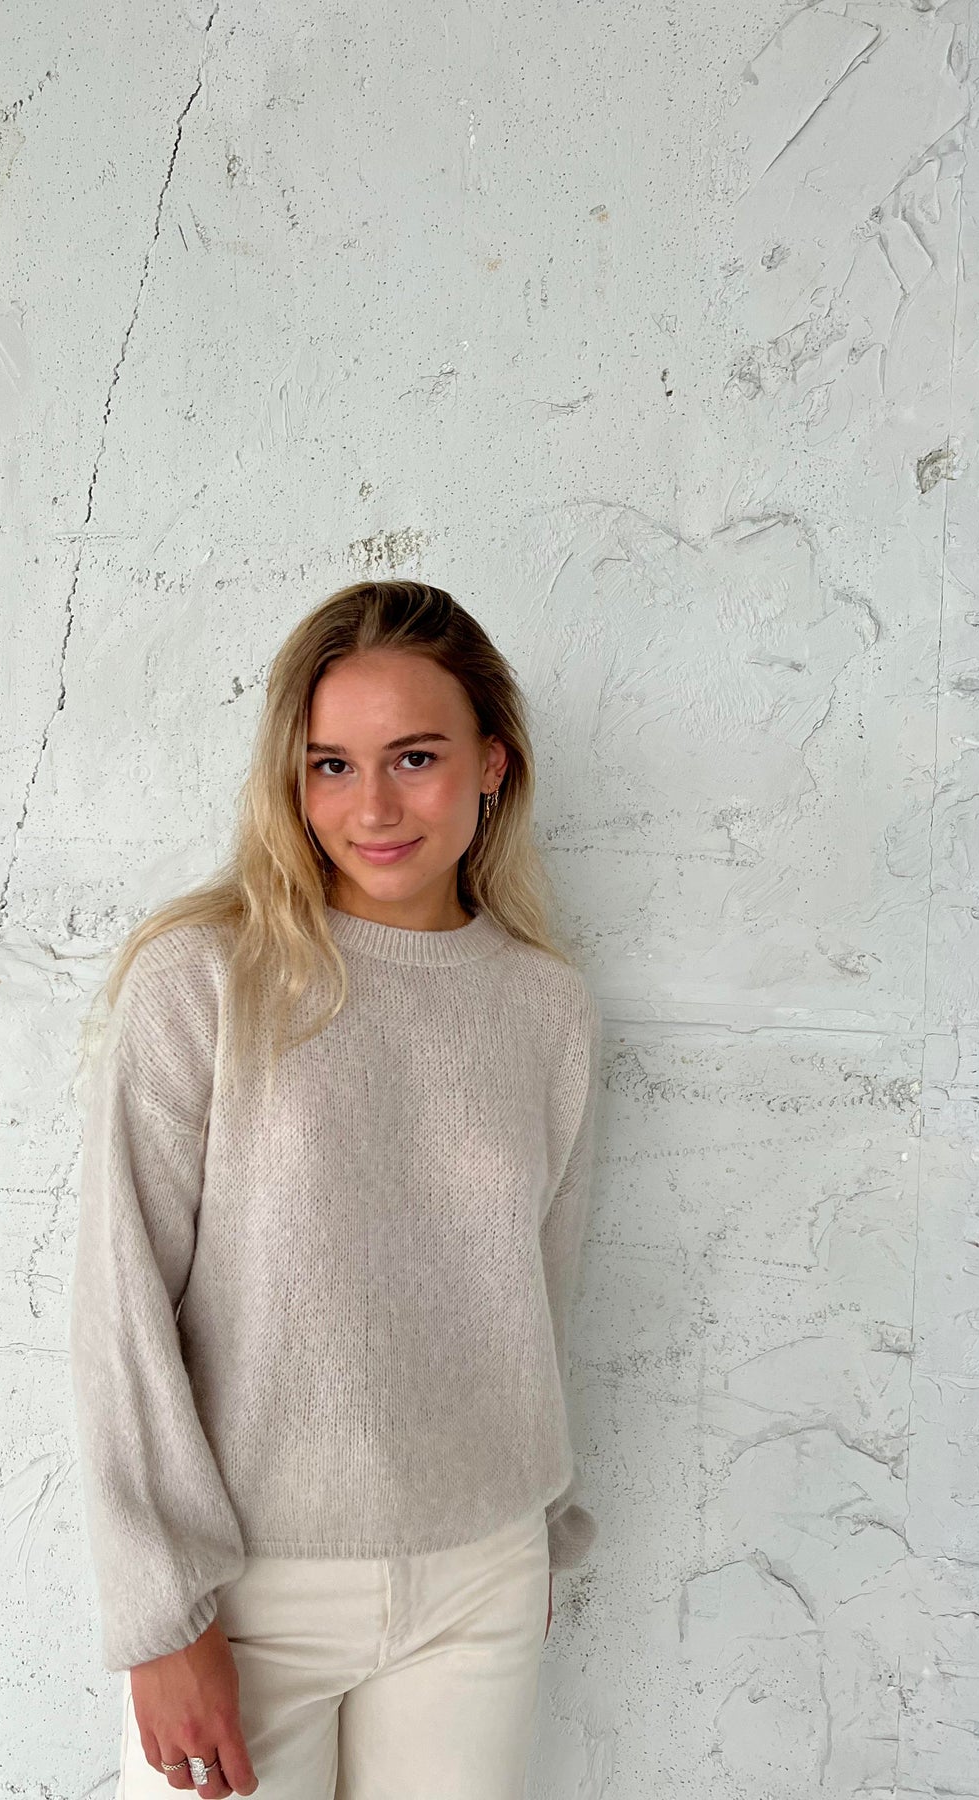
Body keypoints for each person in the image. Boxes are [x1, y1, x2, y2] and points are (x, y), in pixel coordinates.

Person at [68, 580, 603, 1800]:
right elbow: (120, 1309)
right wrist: (158, 1613)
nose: (373, 808)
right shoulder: (204, 981)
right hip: (248, 1591)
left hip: (481, 1581)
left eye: (415, 757)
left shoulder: (547, 1008)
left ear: (492, 765)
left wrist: (536, 1534)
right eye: (330, 766)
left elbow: (539, 1290)